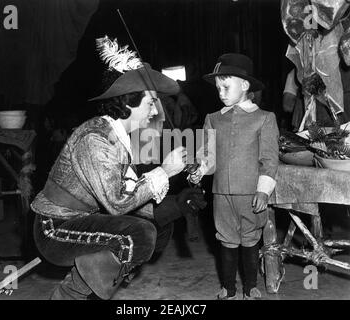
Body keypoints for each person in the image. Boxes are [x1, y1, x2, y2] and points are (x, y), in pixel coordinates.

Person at [30, 48, 207, 300]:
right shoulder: (96, 139)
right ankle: (69, 295)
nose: (156, 112)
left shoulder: (116, 138)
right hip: (54, 229)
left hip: (80, 221)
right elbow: (118, 203)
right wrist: (165, 171)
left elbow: (131, 195)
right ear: (127, 102)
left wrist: (177, 205)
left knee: (157, 228)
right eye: (150, 103)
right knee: (141, 235)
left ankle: (79, 290)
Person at [189, 53, 279, 300]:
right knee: (226, 239)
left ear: (245, 85)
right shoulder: (213, 119)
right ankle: (228, 289)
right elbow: (207, 155)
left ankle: (250, 286)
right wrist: (200, 169)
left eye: (226, 86)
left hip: (251, 194)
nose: (220, 92)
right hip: (221, 194)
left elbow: (270, 159)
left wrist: (263, 190)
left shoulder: (264, 118)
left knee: (250, 239)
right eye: (218, 88)